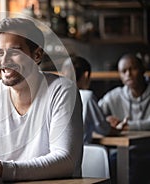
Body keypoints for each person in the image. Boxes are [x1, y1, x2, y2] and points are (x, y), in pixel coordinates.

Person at [0, 17, 83, 181]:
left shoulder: (62, 91)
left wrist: (2, 169)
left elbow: (66, 161)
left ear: (37, 55)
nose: (4, 61)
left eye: (14, 52)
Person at [98, 53, 150, 183]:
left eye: (133, 69)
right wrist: (106, 120)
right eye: (123, 71)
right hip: (123, 151)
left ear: (143, 70)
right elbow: (95, 115)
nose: (128, 74)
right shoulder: (114, 96)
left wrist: (127, 126)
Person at [61, 56, 120, 144]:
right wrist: (117, 128)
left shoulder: (57, 95)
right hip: (82, 154)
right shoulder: (86, 96)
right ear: (86, 75)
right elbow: (103, 129)